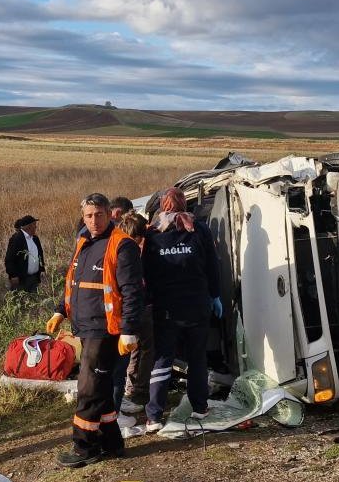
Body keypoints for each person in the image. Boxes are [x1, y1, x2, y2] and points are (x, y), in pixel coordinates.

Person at [47, 193, 145, 467]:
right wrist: (60, 310)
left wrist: (129, 330)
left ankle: (84, 448)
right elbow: (73, 282)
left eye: (99, 215)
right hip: (85, 327)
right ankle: (112, 443)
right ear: (83, 217)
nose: (94, 220)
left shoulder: (121, 245)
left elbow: (132, 291)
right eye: (89, 216)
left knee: (88, 389)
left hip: (106, 331)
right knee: (100, 390)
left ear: (108, 215)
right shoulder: (84, 242)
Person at [142, 187, 221, 433]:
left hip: (166, 309)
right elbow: (212, 266)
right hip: (197, 306)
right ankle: (200, 407)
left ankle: (154, 416)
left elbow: (146, 272)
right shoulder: (198, 229)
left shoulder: (154, 234)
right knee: (197, 358)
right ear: (184, 204)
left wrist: (149, 300)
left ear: (162, 206)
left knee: (163, 359)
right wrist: (215, 295)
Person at [111, 212, 153, 416]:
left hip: (119, 310)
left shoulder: (115, 245)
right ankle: (135, 392)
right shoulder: (131, 250)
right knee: (143, 349)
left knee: (129, 351)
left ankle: (127, 392)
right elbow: (134, 287)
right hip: (135, 309)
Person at [5, 215, 45, 293]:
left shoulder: (35, 239)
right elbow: (9, 259)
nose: (36, 227)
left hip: (34, 278)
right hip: (21, 279)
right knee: (21, 302)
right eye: (34, 225)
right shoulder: (16, 239)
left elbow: (40, 254)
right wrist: (13, 275)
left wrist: (42, 269)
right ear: (29, 227)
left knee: (34, 301)